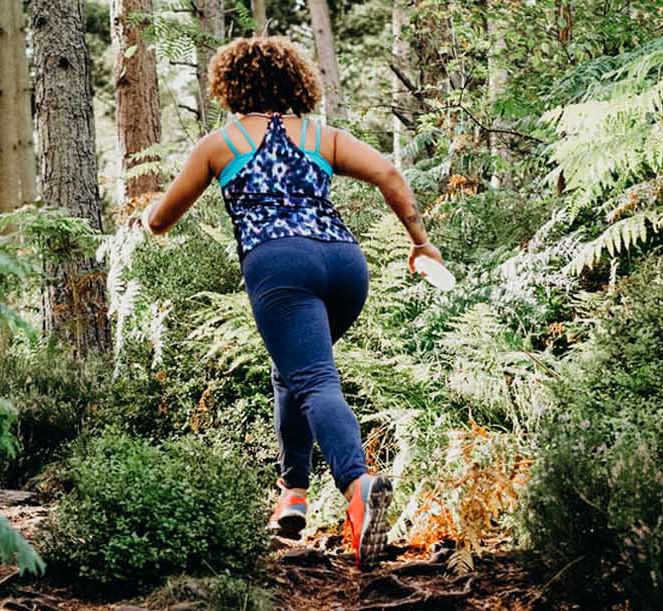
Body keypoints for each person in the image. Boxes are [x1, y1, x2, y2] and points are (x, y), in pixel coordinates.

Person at [137, 36, 443, 568]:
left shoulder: (219, 145)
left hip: (280, 266)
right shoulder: (321, 136)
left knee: (313, 379)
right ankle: (293, 497)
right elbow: (390, 175)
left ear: (229, 86)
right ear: (297, 82)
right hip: (345, 265)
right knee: (294, 371)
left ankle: (357, 484)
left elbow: (162, 220)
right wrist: (420, 242)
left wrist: (144, 218)